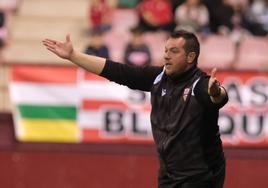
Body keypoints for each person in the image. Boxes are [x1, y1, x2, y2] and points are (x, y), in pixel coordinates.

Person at [42, 30, 228, 188]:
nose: (166, 55)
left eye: (174, 51)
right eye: (165, 50)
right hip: (169, 175)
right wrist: (73, 56)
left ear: (190, 57)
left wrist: (216, 92)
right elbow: (118, 71)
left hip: (202, 176)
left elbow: (218, 97)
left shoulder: (200, 84)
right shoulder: (158, 77)